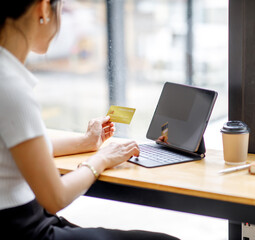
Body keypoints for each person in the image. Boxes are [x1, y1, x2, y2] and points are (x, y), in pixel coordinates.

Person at [0, 1, 179, 239]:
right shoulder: (11, 88)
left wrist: (85, 142)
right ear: (43, 9)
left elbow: (18, 148)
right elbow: (55, 198)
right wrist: (102, 159)